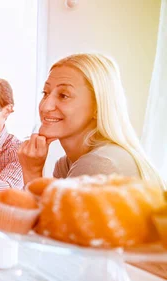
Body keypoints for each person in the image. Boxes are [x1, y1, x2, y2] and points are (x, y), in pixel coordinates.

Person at [18, 53, 164, 187]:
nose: (45, 106)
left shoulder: (98, 165)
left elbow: (41, 216)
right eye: (46, 93)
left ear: (97, 106)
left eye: (63, 95)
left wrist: (32, 172)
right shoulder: (66, 164)